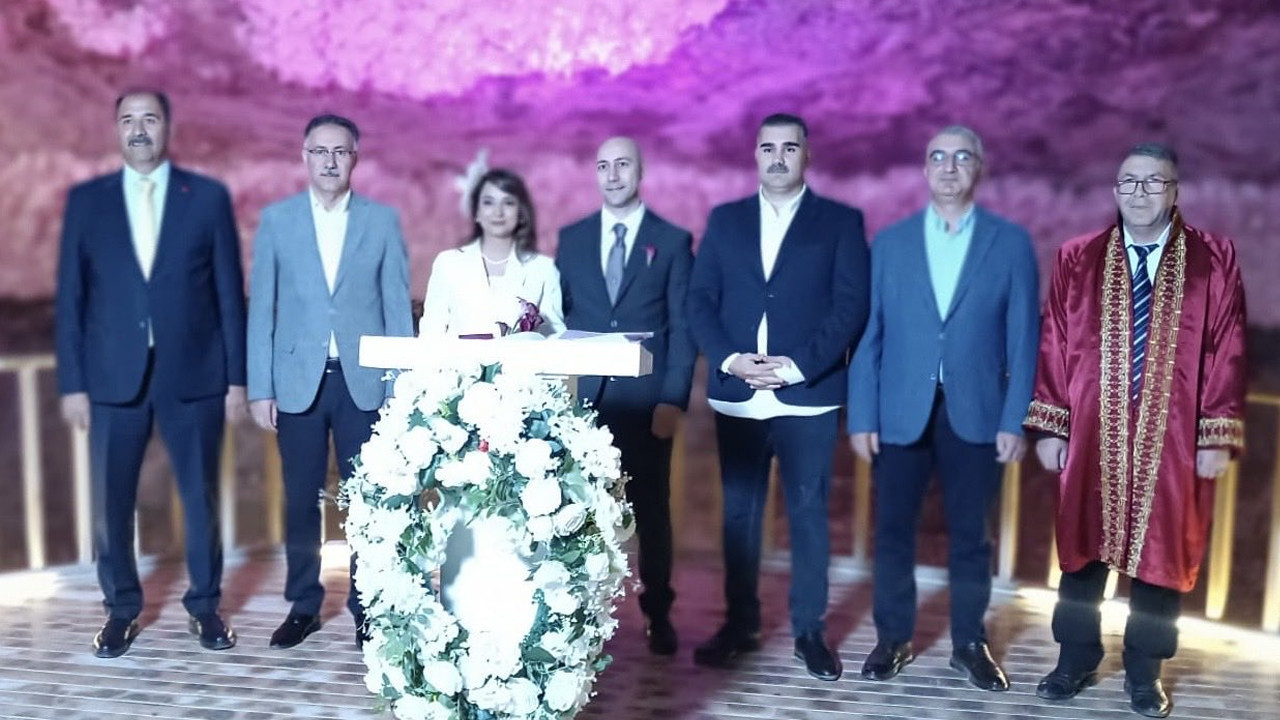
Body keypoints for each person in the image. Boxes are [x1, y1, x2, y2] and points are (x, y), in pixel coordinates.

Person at [1026, 143, 1246, 718]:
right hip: (1091, 432)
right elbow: (1054, 342)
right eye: (1129, 181)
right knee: (1081, 554)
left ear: (1175, 191)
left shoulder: (1213, 257)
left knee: (1163, 555)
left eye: (1154, 182)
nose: (1140, 193)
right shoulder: (1078, 258)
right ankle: (1074, 658)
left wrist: (1215, 433)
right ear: (1114, 190)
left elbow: (1227, 346)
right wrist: (1051, 423)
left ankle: (1145, 671)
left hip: (1173, 438)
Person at [847, 126, 1040, 691]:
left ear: (980, 168)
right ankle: (893, 637)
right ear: (925, 168)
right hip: (899, 410)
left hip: (977, 411)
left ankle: (969, 643)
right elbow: (869, 335)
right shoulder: (891, 242)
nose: (949, 167)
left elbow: (1024, 339)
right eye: (937, 157)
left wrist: (1014, 418)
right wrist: (862, 416)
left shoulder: (1010, 243)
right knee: (892, 530)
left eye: (961, 157)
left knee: (971, 535)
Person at [54, 89, 246, 658]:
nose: (139, 129)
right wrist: (72, 383)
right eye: (128, 120)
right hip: (112, 378)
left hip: (195, 374)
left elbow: (229, 294)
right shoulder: (86, 202)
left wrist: (237, 379)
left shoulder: (206, 197)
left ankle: (205, 606)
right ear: (116, 129)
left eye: (150, 119)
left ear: (168, 127)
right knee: (111, 501)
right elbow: (70, 298)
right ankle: (120, 610)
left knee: (202, 497)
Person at [687, 113, 870, 681]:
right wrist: (730, 360)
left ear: (806, 155)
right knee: (739, 514)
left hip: (807, 395)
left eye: (789, 148)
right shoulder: (725, 220)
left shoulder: (840, 221)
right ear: (756, 155)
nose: (778, 157)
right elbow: (700, 300)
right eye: (768, 148)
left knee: (809, 514)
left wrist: (796, 368)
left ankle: (809, 632)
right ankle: (740, 626)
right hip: (739, 393)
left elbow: (850, 306)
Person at [246, 113, 413, 649]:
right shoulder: (277, 221)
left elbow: (396, 306)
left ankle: (369, 607)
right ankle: (303, 605)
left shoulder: (382, 221)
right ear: (304, 157)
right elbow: (262, 309)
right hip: (297, 381)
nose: (329, 161)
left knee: (369, 499)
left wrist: (400, 385)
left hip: (364, 382)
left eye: (340, 151)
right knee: (300, 498)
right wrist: (260, 387)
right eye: (320, 151)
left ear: (355, 158)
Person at [555, 136, 695, 655]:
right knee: (575, 510)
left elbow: (682, 327)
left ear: (640, 171)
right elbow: (558, 319)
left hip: (645, 404)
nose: (612, 174)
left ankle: (658, 612)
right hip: (583, 404)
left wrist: (672, 399)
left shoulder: (672, 241)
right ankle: (576, 615)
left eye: (622, 165)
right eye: (603, 165)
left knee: (651, 511)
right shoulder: (571, 239)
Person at [420, 169, 564, 337]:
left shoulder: (543, 269)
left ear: (521, 213)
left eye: (508, 203)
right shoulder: (448, 264)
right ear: (476, 212)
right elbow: (431, 332)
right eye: (488, 202)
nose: (498, 212)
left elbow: (554, 336)